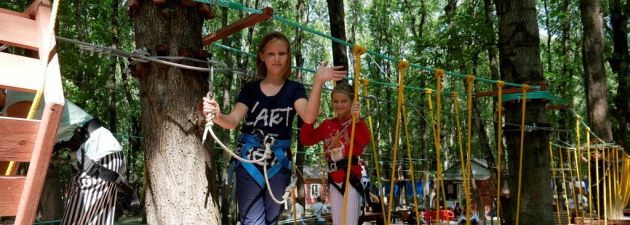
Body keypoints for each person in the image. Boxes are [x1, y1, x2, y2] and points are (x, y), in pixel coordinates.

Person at [201, 31, 347, 224]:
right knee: (252, 221)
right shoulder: (250, 90)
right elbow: (233, 120)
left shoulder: (294, 89)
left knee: (271, 220)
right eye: (271, 54)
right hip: (249, 160)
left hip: (278, 162)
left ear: (288, 57)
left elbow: (309, 116)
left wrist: (318, 82)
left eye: (282, 54)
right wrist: (218, 116)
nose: (277, 59)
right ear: (262, 56)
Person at [0, 88, 136, 225]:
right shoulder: (11, 104)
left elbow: (15, 150)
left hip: (98, 156)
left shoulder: (16, 94)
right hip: (101, 155)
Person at [300, 81, 370, 225]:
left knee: (349, 222)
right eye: (336, 101)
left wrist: (357, 120)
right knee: (338, 222)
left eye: (344, 101)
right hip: (334, 178)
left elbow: (364, 140)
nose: (339, 105)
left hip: (350, 177)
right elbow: (306, 139)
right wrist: (310, 120)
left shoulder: (355, 122)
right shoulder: (327, 125)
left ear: (352, 102)